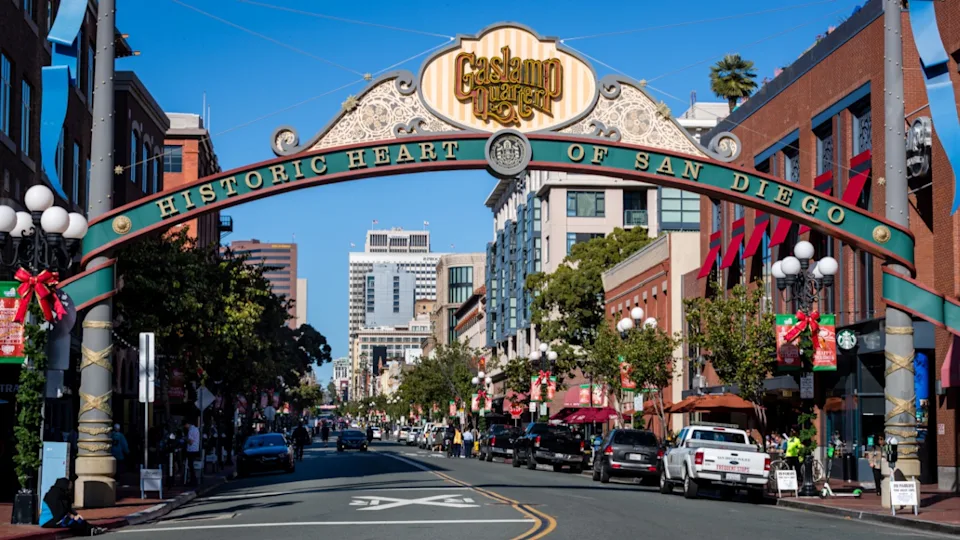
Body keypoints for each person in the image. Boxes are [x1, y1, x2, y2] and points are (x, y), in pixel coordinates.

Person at [40, 478, 106, 536]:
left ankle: (92, 528)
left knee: (79, 520)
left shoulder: (63, 495)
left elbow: (68, 509)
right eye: (69, 486)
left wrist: (76, 515)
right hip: (48, 520)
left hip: (58, 518)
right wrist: (73, 517)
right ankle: (89, 531)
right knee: (71, 522)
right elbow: (58, 512)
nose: (70, 488)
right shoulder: (52, 496)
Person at [185, 419, 201, 486]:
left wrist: (185, 440)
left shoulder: (191, 430)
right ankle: (193, 480)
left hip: (191, 450)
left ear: (188, 424)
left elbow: (190, 442)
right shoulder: (196, 429)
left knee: (191, 466)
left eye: (185, 425)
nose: (185, 426)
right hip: (196, 449)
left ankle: (193, 480)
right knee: (191, 466)